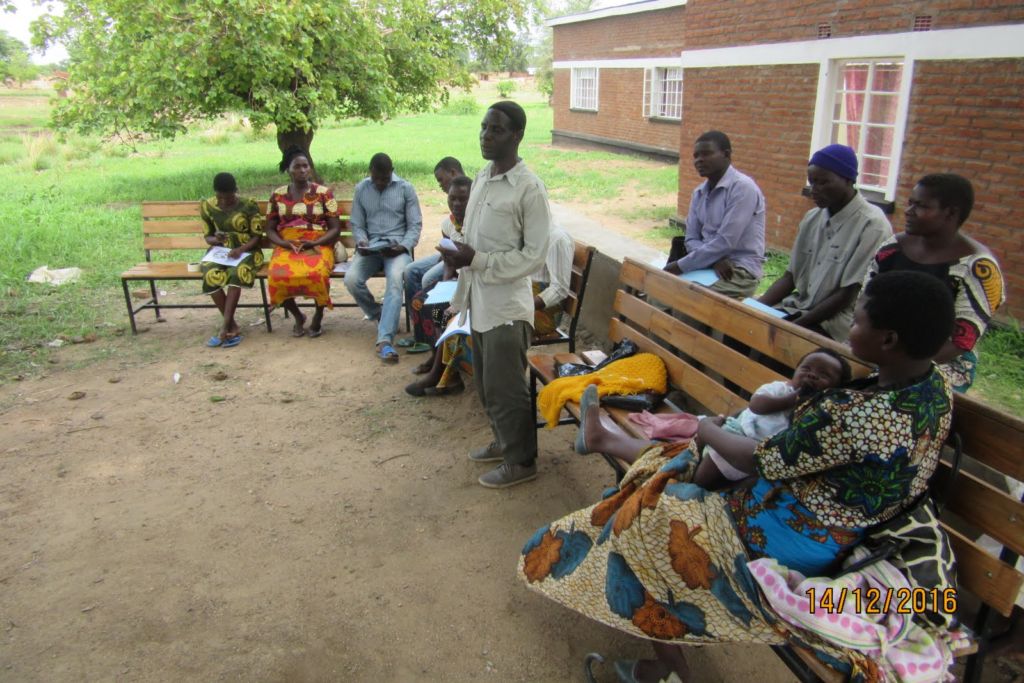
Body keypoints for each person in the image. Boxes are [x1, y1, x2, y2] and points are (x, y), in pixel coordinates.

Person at [520, 269, 956, 682]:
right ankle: (619, 466)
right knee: (662, 482)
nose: (850, 329)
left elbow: (757, 461)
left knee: (642, 527)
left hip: (786, 537)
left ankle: (667, 666)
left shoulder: (854, 415)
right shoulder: (933, 390)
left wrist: (706, 427)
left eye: (857, 320)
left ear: (890, 339)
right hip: (824, 527)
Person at [441, 101, 551, 489]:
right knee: (487, 385)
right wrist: (459, 252)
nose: (486, 136)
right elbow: (474, 233)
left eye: (497, 130)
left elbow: (535, 255)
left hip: (506, 307)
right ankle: (505, 441)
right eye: (484, 127)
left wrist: (481, 260)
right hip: (480, 300)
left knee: (507, 389)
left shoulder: (529, 188)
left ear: (517, 135)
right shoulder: (484, 176)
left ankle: (521, 462)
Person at [865, 173, 1005, 392]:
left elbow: (962, 341)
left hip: (940, 362)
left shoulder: (978, 267)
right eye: (910, 203)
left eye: (921, 206)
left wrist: (898, 365)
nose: (909, 211)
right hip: (882, 347)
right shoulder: (893, 247)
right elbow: (866, 299)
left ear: (950, 213)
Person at [406, 225, 573, 397]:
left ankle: (450, 374)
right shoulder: (522, 231)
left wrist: (523, 305)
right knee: (447, 312)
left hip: (542, 310)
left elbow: (559, 289)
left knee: (472, 317)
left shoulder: (556, 238)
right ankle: (445, 370)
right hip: (518, 295)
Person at [758, 144, 892, 341]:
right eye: (812, 182)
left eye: (823, 182)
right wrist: (754, 309)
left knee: (779, 347)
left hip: (836, 321)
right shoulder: (812, 218)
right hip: (798, 308)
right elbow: (790, 278)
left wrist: (794, 328)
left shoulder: (872, 225)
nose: (815, 190)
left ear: (848, 180)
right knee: (740, 331)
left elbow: (848, 294)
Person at [692, 348, 851, 489]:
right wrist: (789, 401)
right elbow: (756, 405)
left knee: (748, 485)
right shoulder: (780, 389)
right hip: (737, 438)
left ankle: (726, 493)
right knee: (702, 479)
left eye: (823, 375)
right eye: (806, 368)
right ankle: (692, 470)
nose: (812, 375)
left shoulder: (818, 412)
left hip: (765, 459)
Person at [664, 131, 766, 299]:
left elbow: (726, 241)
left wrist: (680, 266)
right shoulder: (699, 193)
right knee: (658, 293)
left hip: (738, 270)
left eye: (706, 153)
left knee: (688, 300)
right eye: (696, 156)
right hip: (709, 266)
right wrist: (712, 260)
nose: (699, 160)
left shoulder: (743, 188)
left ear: (726, 154)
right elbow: (691, 239)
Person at [345, 152, 423, 363]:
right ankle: (379, 314)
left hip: (396, 247)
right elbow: (357, 223)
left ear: (392, 171)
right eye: (377, 178)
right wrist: (361, 241)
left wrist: (403, 246)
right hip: (371, 248)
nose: (380, 183)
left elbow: (415, 225)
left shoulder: (405, 188)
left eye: (385, 178)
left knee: (396, 280)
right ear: (370, 172)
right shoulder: (362, 188)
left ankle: (384, 340)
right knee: (351, 279)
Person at [265, 147, 341, 338]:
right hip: (287, 244)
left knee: (317, 273)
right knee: (276, 274)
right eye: (297, 166)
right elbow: (270, 228)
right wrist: (283, 244)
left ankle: (318, 316)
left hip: (317, 243)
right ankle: (298, 316)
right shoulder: (278, 195)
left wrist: (313, 243)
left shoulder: (323, 193)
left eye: (305, 166)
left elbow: (334, 228)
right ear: (288, 169)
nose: (302, 170)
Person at [198, 172, 265, 348]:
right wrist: (217, 239)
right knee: (209, 272)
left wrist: (240, 249)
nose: (223, 201)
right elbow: (208, 238)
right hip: (221, 252)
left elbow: (256, 236)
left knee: (237, 274)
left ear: (235, 191)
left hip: (248, 252)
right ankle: (231, 324)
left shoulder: (249, 205)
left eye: (228, 197)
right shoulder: (207, 207)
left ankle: (224, 327)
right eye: (220, 197)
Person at [404, 171, 470, 338]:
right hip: (455, 281)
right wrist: (446, 280)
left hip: (473, 285)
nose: (456, 204)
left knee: (441, 311)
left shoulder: (478, 225)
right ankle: (429, 344)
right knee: (419, 302)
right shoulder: (448, 224)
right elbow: (448, 260)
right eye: (452, 199)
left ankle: (440, 356)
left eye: (462, 200)